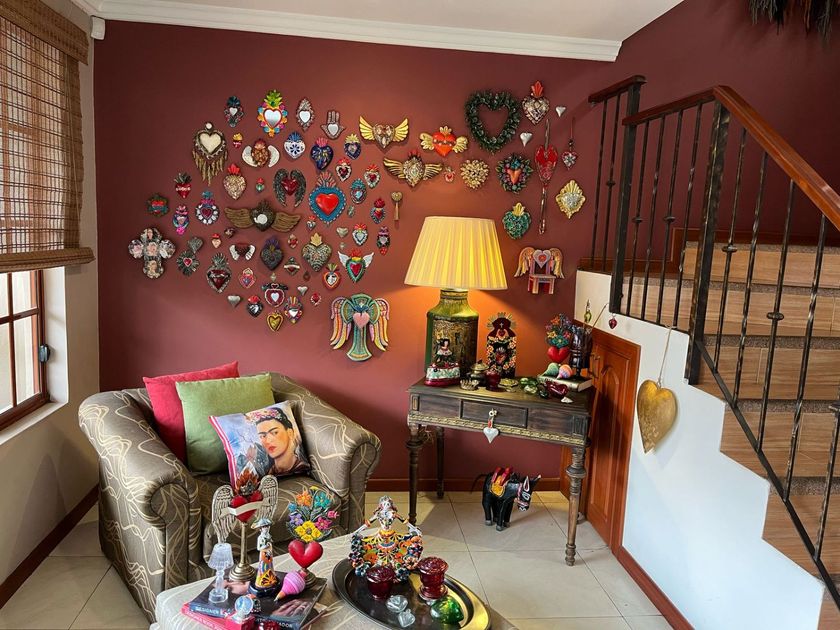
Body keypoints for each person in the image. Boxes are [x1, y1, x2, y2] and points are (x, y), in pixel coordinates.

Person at [246, 406, 307, 476]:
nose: (268, 441)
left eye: (275, 432)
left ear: (290, 433)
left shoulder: (301, 466)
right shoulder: (268, 472)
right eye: (262, 436)